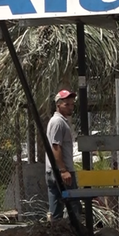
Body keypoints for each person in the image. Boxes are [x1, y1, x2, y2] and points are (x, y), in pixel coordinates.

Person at [45, 89, 81, 222]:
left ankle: (56, 235)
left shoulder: (61, 122)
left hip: (54, 171)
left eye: (72, 104)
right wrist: (63, 170)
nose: (71, 107)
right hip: (61, 172)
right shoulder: (58, 122)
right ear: (58, 105)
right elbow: (56, 147)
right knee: (74, 206)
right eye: (67, 104)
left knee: (57, 209)